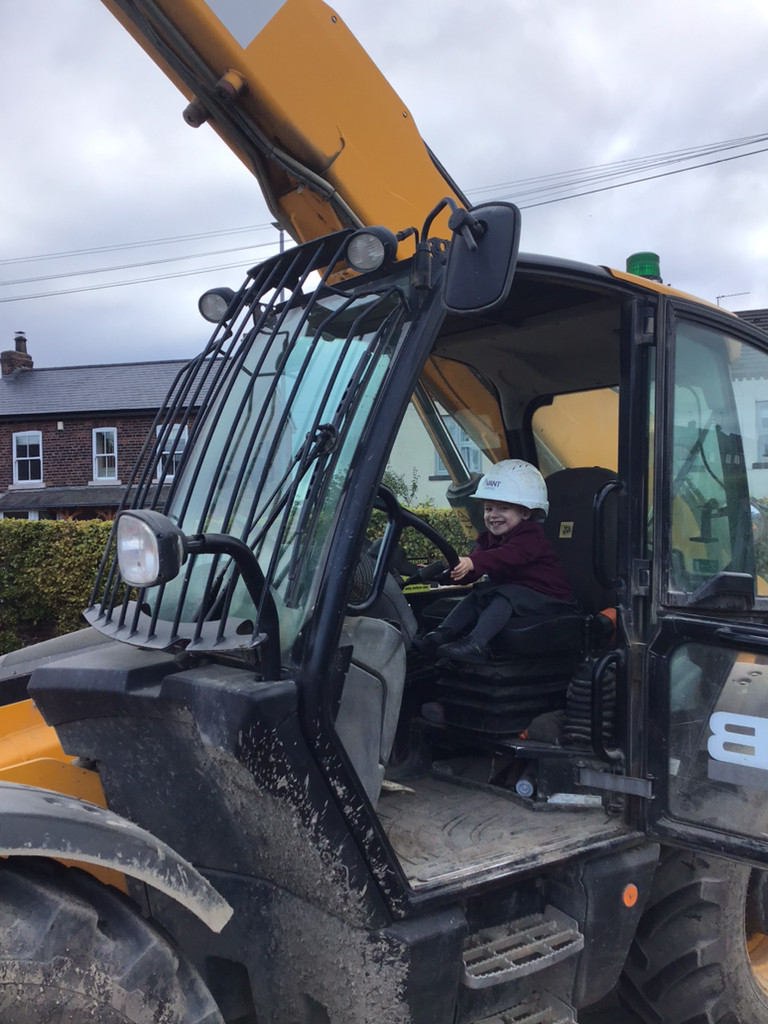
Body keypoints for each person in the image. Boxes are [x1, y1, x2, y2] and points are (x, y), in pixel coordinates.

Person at [421, 460, 574, 664]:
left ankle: (476, 644)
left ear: (526, 512)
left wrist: (473, 561)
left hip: (548, 597)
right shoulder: (489, 539)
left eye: (503, 508)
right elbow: (474, 570)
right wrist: (444, 575)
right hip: (519, 594)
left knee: (505, 594)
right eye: (488, 508)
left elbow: (506, 556)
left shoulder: (531, 536)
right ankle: (443, 633)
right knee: (479, 593)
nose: (493, 515)